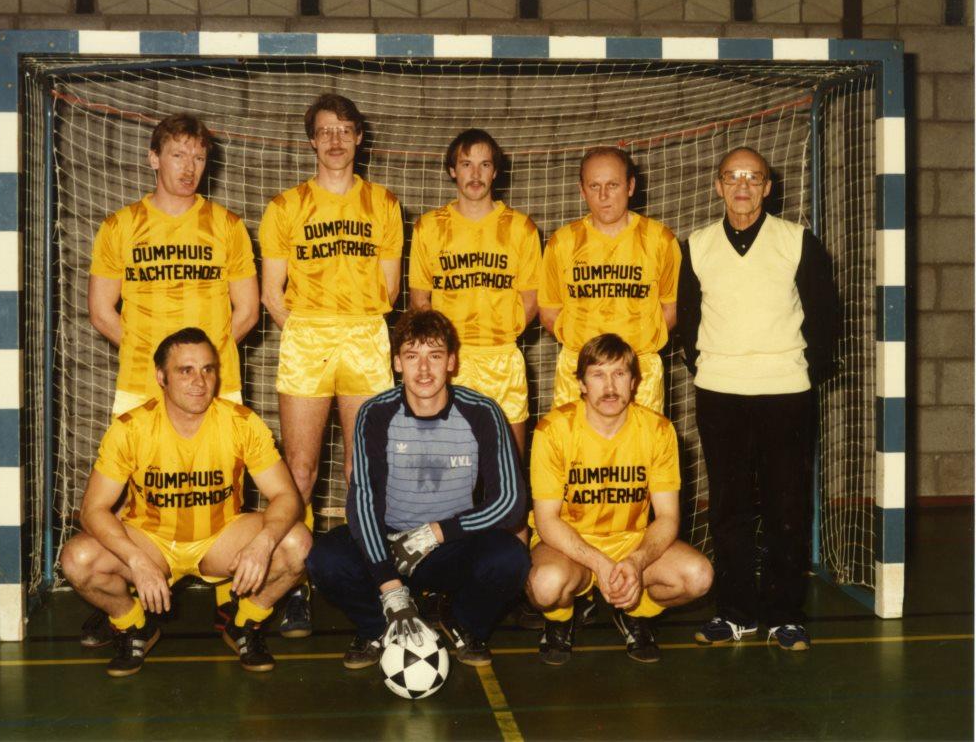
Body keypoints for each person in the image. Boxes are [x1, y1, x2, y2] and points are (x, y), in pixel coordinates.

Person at [84, 113, 260, 646]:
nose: (189, 167)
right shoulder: (120, 226)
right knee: (127, 496)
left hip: (212, 381)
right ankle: (131, 595)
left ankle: (231, 599)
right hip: (142, 380)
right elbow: (101, 309)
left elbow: (247, 310)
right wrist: (153, 361)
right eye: (179, 155)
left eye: (199, 157)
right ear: (154, 158)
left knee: (225, 488)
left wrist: (203, 365)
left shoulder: (227, 226)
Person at [59, 328, 312, 676]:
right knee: (77, 558)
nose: (199, 381)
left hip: (220, 538)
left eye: (208, 369)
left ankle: (245, 622)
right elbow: (93, 509)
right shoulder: (131, 428)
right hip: (150, 541)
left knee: (297, 544)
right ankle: (133, 625)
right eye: (185, 370)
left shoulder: (241, 423)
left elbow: (286, 495)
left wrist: (264, 543)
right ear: (161, 377)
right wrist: (135, 560)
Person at [677, 146, 838, 651]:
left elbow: (824, 320)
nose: (742, 186)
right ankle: (735, 612)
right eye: (733, 176)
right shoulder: (697, 245)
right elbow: (687, 323)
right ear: (718, 185)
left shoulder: (797, 241)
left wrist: (792, 373)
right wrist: (717, 368)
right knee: (729, 507)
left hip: (785, 394)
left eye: (753, 177)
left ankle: (785, 614)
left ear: (768, 187)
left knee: (787, 505)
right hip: (720, 394)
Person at [306, 309, 530, 669]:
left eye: (435, 356)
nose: (423, 370)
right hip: (391, 544)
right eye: (412, 356)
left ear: (452, 361)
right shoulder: (375, 413)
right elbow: (362, 500)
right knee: (325, 559)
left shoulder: (482, 411)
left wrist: (434, 534)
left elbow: (510, 502)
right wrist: (389, 585)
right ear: (397, 363)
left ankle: (460, 621)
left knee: (511, 558)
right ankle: (379, 627)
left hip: (450, 543)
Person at [259, 94, 404, 638]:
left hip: (365, 335)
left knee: (360, 473)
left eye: (345, 130)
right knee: (299, 471)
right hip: (307, 338)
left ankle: (365, 579)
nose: (336, 140)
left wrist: (349, 319)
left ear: (360, 137)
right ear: (312, 141)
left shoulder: (383, 203)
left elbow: (390, 288)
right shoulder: (285, 206)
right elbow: (272, 293)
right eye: (325, 131)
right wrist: (309, 328)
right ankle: (294, 586)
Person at [526, 333, 712, 665]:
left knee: (698, 576)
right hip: (568, 545)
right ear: (581, 383)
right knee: (546, 586)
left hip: (630, 542)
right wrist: (599, 563)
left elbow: (668, 517)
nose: (609, 386)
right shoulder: (553, 430)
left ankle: (633, 612)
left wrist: (636, 563)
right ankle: (560, 619)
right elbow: (546, 520)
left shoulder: (658, 430)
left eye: (619, 373)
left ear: (634, 382)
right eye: (598, 375)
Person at [409, 128, 541, 453]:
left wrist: (501, 334)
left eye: (485, 165)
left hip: (502, 358)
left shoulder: (521, 228)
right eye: (466, 164)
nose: (476, 174)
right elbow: (420, 299)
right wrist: (444, 349)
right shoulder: (429, 227)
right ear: (452, 170)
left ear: (495, 171)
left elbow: (531, 300)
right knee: (451, 463)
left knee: (509, 463)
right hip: (453, 361)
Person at [538, 147, 680, 413]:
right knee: (573, 440)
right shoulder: (562, 242)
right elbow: (548, 312)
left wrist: (629, 353)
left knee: (641, 441)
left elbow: (670, 310)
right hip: (579, 371)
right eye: (594, 186)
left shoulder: (660, 240)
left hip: (641, 374)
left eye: (613, 185)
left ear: (630, 186)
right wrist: (590, 354)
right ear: (582, 190)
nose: (603, 195)